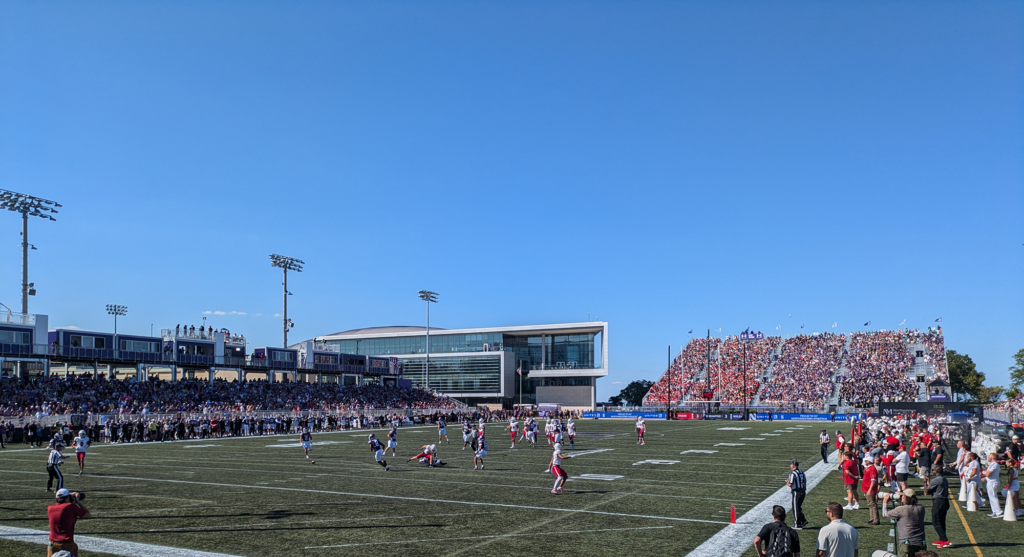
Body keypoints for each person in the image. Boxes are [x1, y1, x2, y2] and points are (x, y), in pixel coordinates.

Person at [883, 488, 926, 556]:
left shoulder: (901, 509)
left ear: (905, 497)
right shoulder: (921, 508)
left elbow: (885, 514)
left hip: (906, 543)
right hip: (920, 541)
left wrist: (885, 502)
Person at [47, 488, 90, 557]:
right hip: (66, 544)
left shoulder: (50, 508)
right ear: (67, 497)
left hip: (52, 544)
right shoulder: (71, 507)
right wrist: (77, 502)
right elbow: (87, 514)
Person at [923, 465, 951, 548]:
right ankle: (942, 539)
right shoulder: (944, 479)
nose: (932, 471)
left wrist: (925, 482)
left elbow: (927, 490)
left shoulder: (936, 480)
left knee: (936, 521)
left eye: (933, 470)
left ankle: (945, 539)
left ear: (936, 471)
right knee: (942, 521)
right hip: (945, 501)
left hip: (938, 501)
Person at [787, 460, 808, 529]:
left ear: (793, 465)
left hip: (797, 492)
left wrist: (787, 482)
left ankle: (798, 524)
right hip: (803, 491)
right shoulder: (802, 472)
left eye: (791, 464)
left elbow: (790, 484)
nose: (790, 465)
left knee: (795, 508)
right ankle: (803, 520)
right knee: (798, 507)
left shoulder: (793, 474)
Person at [982, 452, 1002, 518]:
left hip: (993, 482)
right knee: (991, 497)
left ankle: (999, 511)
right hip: (990, 482)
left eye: (989, 456)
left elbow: (988, 474)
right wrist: (985, 477)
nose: (988, 457)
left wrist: (984, 473)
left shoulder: (995, 464)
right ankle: (994, 511)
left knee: (993, 497)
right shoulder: (991, 464)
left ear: (993, 457)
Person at [862, 456, 880, 525]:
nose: (865, 462)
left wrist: (869, 490)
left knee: (872, 504)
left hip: (870, 489)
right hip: (867, 489)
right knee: (870, 504)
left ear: (869, 461)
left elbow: (873, 480)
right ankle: (872, 518)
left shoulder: (872, 469)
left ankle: (876, 519)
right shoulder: (868, 468)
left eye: (866, 461)